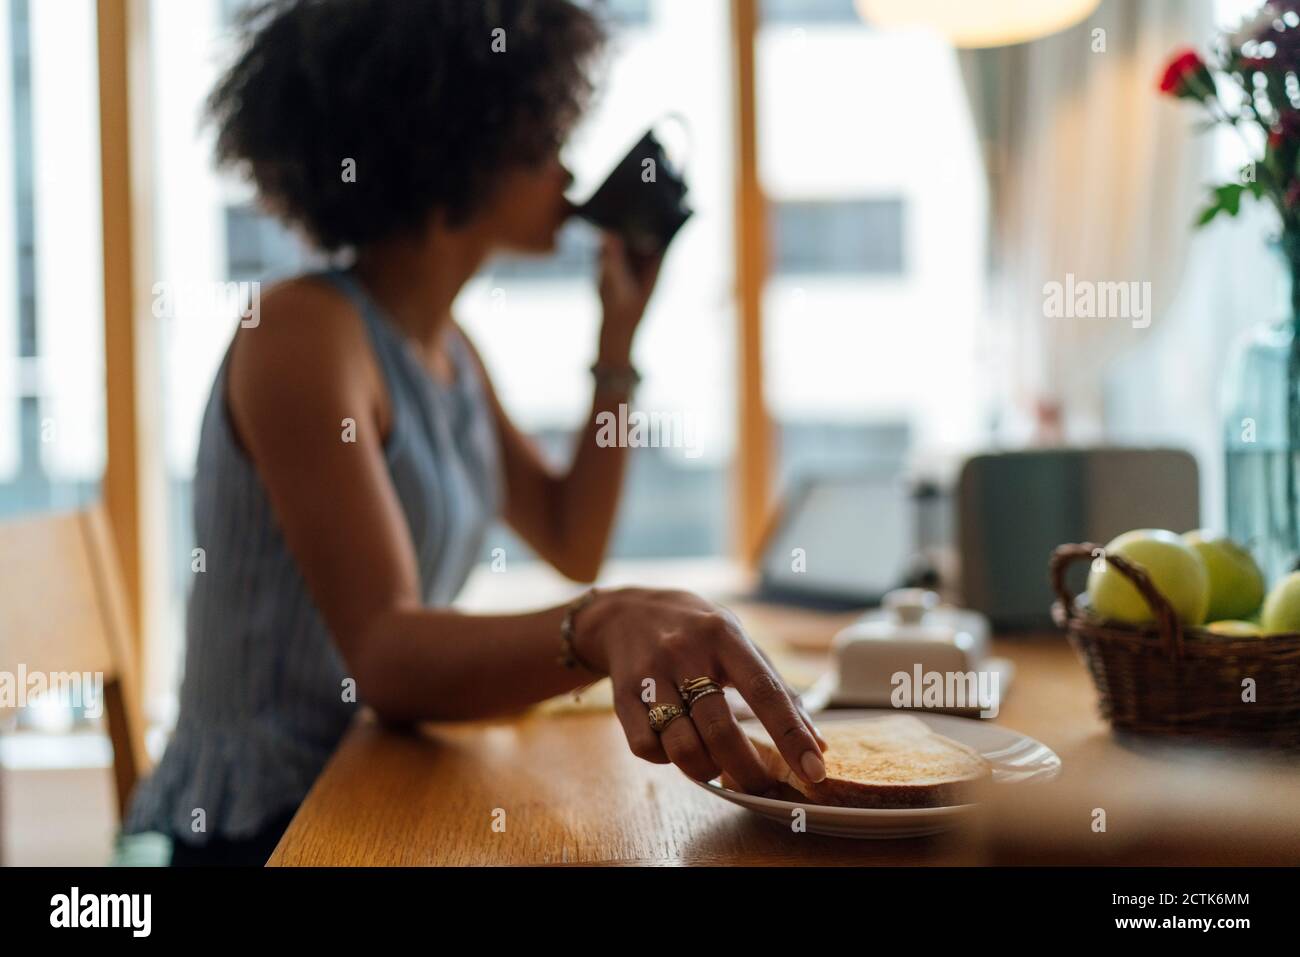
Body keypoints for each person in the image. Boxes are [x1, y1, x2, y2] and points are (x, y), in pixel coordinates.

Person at [124, 0, 826, 866]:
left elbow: (574, 539)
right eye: (541, 137)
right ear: (454, 138)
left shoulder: (449, 349)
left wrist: (618, 342)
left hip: (381, 790)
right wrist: (604, 623)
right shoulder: (298, 333)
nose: (568, 169)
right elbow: (386, 652)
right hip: (267, 827)